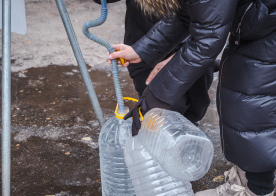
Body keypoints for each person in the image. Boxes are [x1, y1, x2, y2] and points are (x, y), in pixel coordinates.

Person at [109, 0, 276, 196]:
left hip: (272, 24)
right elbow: (190, 15)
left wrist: (156, 97)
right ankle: (244, 183)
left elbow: (207, 38)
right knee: (237, 98)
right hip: (256, 20)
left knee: (255, 108)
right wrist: (142, 49)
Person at [94, 0, 219, 136]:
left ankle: (188, 134)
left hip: (196, 45)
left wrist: (185, 53)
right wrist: (142, 50)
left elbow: (211, 21)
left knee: (196, 103)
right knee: (161, 112)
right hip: (145, 45)